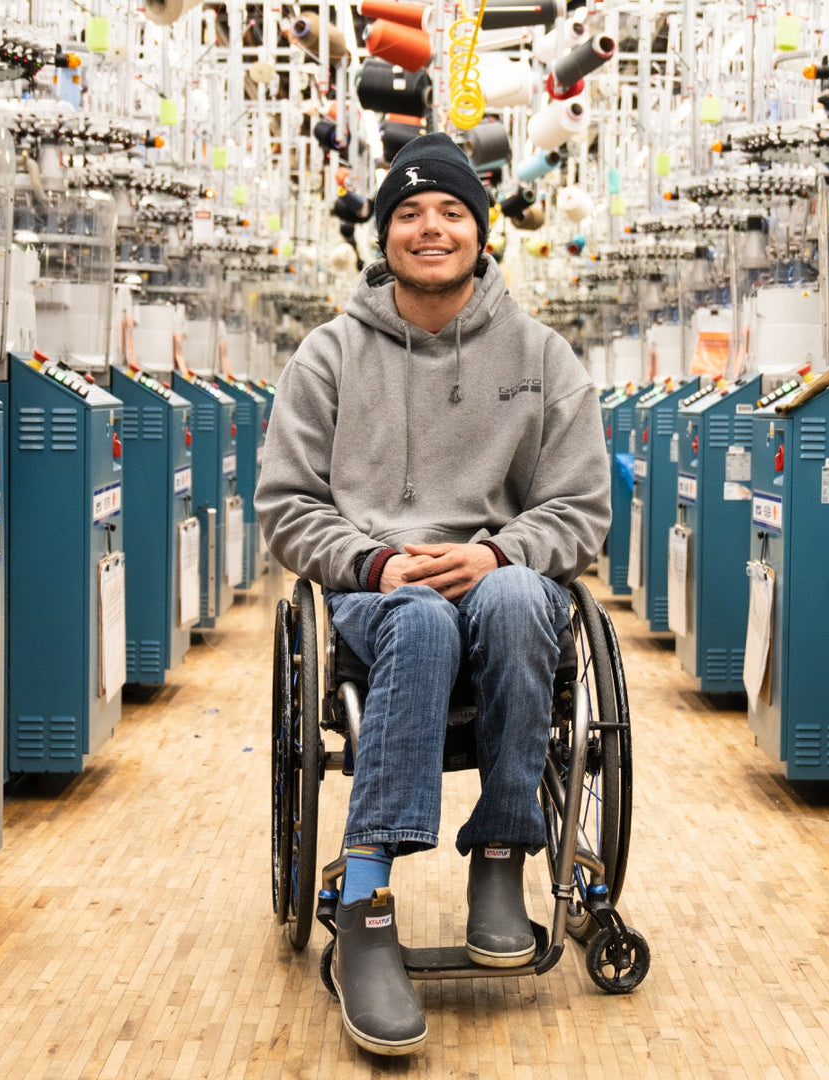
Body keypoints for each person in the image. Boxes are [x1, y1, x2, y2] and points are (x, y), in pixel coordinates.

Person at [254, 131, 611, 1057]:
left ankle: (502, 851)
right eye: (408, 212)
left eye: (451, 210)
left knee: (526, 599)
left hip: (500, 581)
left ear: (481, 232)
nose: (430, 228)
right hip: (379, 586)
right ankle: (366, 899)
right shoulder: (328, 357)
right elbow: (287, 506)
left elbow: (580, 508)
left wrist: (501, 553)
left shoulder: (543, 359)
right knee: (418, 616)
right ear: (384, 236)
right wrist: (375, 563)